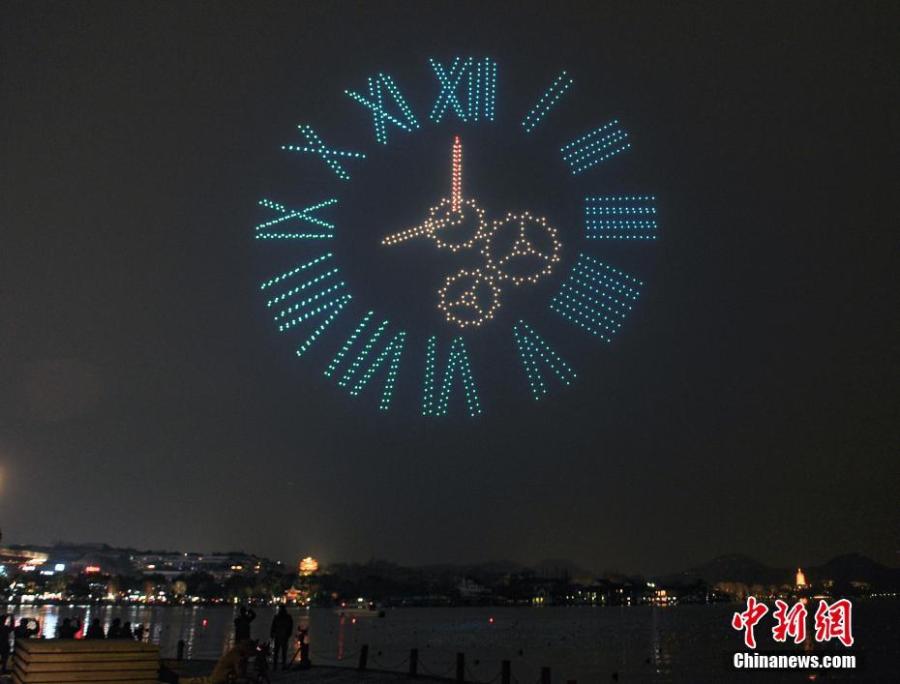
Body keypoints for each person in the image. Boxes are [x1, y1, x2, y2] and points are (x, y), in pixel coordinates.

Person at [269, 605, 293, 671]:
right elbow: (273, 626)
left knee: (278, 652)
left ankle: (277, 665)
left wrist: (272, 634)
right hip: (281, 636)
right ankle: (279, 665)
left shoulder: (279, 617)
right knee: (281, 652)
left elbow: (273, 626)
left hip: (281, 635)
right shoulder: (285, 617)